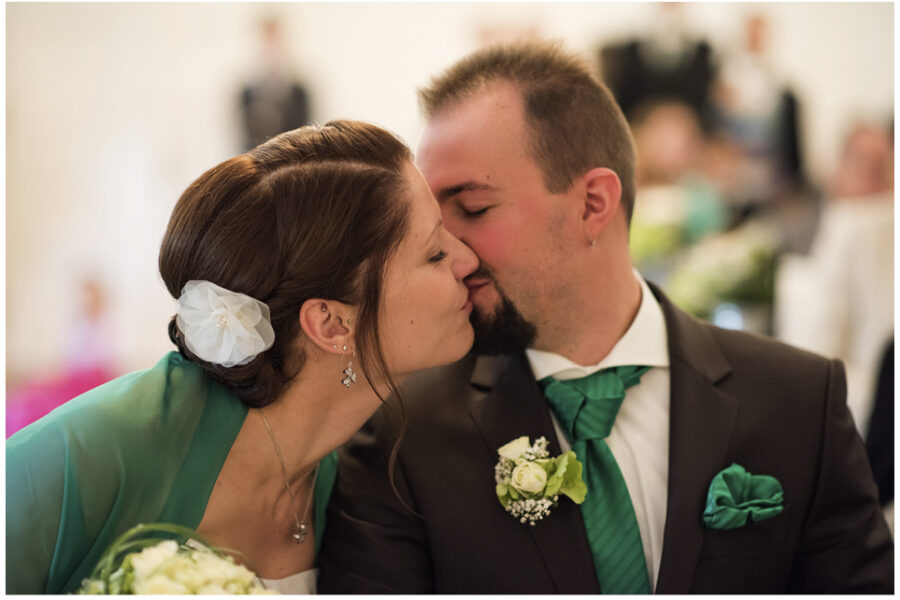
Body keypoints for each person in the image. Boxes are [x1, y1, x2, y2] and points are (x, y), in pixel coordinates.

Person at [317, 42, 893, 593]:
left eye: (472, 209)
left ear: (593, 203)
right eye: (436, 225)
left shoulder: (800, 400)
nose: (453, 252)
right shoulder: (400, 434)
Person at [6, 120, 478, 594]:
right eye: (435, 254)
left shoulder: (359, 471)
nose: (467, 260)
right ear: (332, 324)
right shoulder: (93, 450)